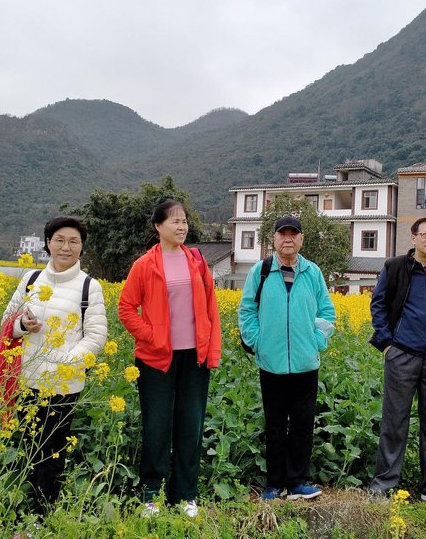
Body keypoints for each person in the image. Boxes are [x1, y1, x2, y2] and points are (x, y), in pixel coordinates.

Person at [118, 199, 222, 518]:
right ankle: (151, 495)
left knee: (191, 425)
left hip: (194, 357)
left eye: (185, 221)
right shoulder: (144, 265)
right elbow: (126, 308)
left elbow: (211, 308)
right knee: (157, 427)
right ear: (158, 226)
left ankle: (186, 495)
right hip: (155, 359)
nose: (182, 226)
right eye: (175, 221)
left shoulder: (197, 261)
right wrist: (152, 336)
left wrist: (212, 351)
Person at [3, 215, 108, 516]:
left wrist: (64, 363)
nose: (66, 247)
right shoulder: (31, 280)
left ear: (82, 247)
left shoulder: (89, 286)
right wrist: (22, 325)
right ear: (48, 243)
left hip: (63, 385)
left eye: (74, 241)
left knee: (51, 452)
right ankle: (23, 509)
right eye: (59, 240)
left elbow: (96, 336)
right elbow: (7, 322)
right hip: (27, 378)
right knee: (27, 446)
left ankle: (42, 514)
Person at [238, 215, 336, 501]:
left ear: (302, 239)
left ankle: (297, 482)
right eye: (283, 234)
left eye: (294, 234)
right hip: (271, 363)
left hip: (306, 363)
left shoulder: (313, 272)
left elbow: (327, 312)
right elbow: (246, 310)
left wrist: (317, 341)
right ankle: (274, 484)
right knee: (275, 424)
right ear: (274, 239)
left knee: (303, 424)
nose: (288, 239)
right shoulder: (261, 271)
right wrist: (258, 342)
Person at [367, 217, 426, 504]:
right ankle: (384, 485)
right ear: (414, 238)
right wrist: (387, 345)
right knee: (394, 421)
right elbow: (378, 305)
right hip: (402, 355)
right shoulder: (396, 267)